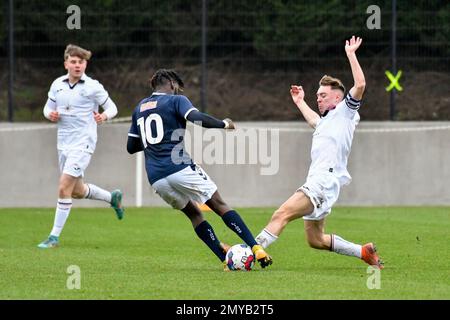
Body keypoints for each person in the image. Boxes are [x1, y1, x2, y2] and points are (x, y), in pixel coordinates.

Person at [255, 36, 384, 269]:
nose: (319, 99)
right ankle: (363, 251)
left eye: (322, 95)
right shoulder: (327, 121)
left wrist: (351, 54)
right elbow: (315, 121)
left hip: (323, 182)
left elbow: (361, 85)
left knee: (281, 214)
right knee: (315, 240)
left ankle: (249, 252)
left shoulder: (345, 112)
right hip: (321, 182)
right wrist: (300, 102)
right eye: (317, 96)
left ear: (338, 97)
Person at [126, 69, 272, 270]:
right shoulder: (176, 100)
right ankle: (256, 248)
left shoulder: (139, 108)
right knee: (219, 205)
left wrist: (156, 143)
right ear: (170, 83)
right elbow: (196, 117)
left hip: (156, 178)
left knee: (194, 215)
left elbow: (131, 147)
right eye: (176, 86)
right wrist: (224, 124)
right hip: (180, 167)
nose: (177, 89)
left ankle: (223, 258)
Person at [37, 44, 124, 249]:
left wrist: (103, 115)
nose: (77, 65)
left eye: (81, 62)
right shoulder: (57, 84)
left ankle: (53, 237)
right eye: (74, 62)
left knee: (63, 186)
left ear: (86, 64)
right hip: (63, 143)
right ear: (66, 63)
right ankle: (112, 198)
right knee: (76, 190)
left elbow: (113, 107)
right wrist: (50, 115)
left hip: (83, 142)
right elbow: (47, 108)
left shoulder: (93, 86)